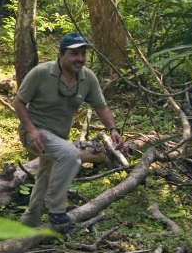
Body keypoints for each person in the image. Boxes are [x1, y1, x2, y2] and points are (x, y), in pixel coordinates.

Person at [13, 33, 123, 226]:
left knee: (45, 175)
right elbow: (19, 102)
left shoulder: (87, 78)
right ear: (61, 54)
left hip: (57, 136)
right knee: (71, 155)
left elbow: (101, 107)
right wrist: (31, 130)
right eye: (74, 54)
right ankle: (56, 209)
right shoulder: (41, 73)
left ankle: (30, 221)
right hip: (34, 133)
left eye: (82, 54)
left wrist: (113, 128)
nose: (79, 59)